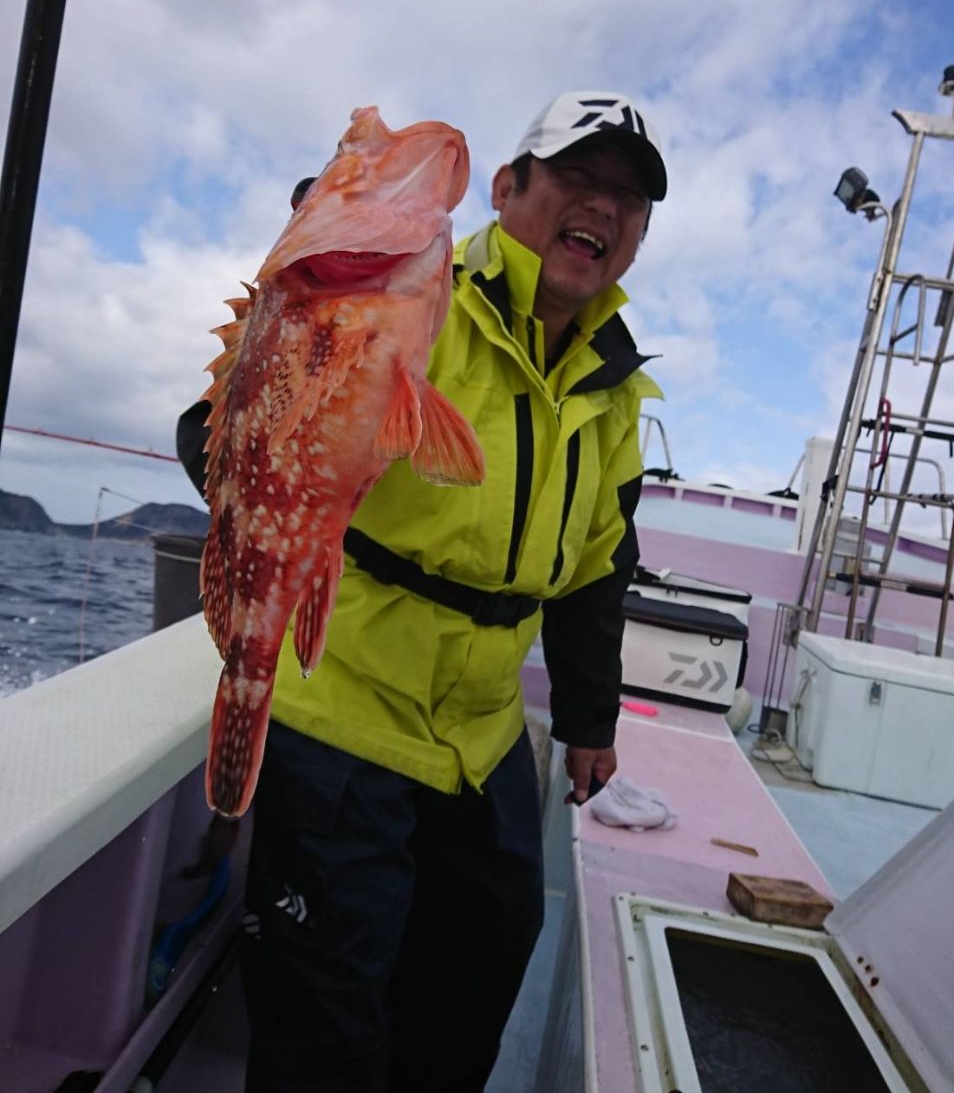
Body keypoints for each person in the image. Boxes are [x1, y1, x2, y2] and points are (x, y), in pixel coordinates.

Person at [176, 90, 667, 1092]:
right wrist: (296, 482)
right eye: (581, 178)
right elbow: (216, 428)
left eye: (631, 196)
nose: (605, 209)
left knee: (473, 984)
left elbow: (597, 565)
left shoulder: (611, 382)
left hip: (482, 739)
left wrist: (587, 719)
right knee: (326, 1027)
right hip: (345, 709)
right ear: (507, 188)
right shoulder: (420, 283)